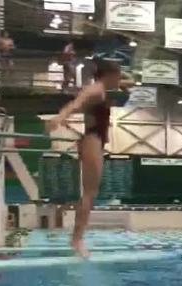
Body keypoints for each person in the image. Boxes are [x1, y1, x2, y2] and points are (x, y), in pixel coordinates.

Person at [46, 59, 134, 257]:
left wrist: (122, 78)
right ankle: (77, 240)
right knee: (89, 193)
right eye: (117, 76)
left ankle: (77, 239)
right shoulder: (94, 90)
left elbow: (129, 81)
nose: (120, 80)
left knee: (90, 193)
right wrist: (59, 118)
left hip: (96, 140)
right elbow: (75, 103)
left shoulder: (102, 88)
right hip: (92, 139)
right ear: (109, 75)